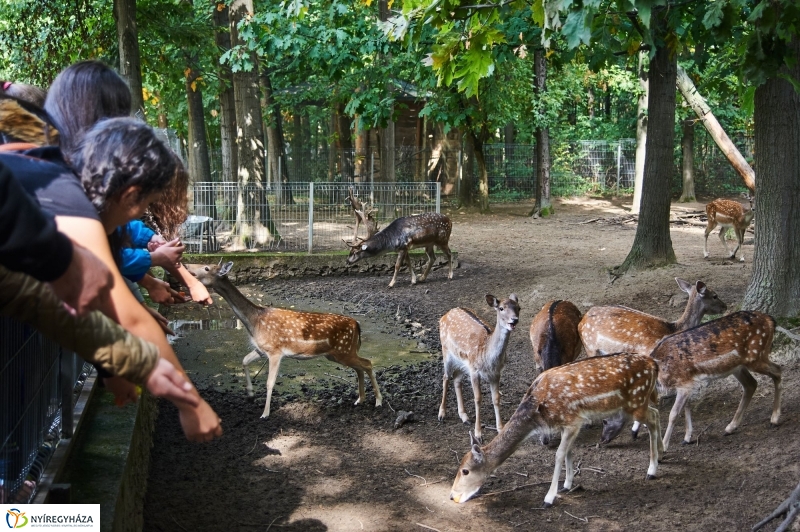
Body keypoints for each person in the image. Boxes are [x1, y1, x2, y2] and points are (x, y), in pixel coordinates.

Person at [1, 111, 221, 441]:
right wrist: (191, 403)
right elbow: (120, 312)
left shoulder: (40, 181)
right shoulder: (67, 204)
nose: (132, 220)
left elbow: (45, 302)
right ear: (130, 194)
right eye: (142, 205)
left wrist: (129, 365)